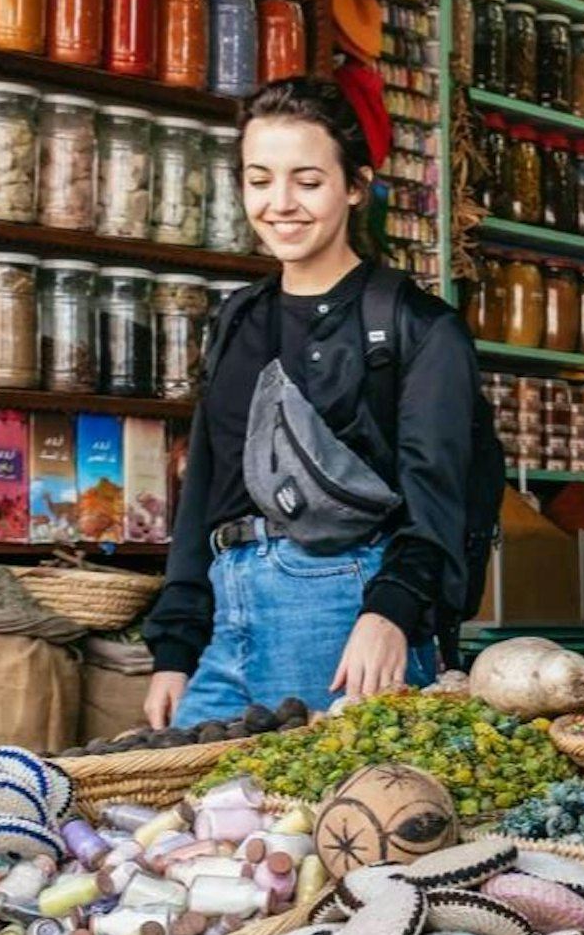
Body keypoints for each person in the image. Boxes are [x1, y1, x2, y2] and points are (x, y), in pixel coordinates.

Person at [142, 71, 480, 727]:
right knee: (191, 790)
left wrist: (390, 613)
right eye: (259, 180)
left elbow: (440, 497)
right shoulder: (238, 318)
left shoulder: (419, 327)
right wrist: (176, 649)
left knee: (329, 796)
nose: (280, 203)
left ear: (355, 186)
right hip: (228, 615)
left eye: (308, 181)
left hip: (341, 609)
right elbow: (207, 485)